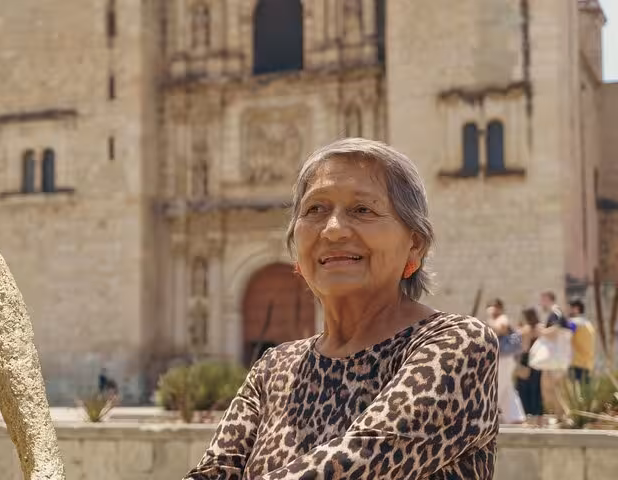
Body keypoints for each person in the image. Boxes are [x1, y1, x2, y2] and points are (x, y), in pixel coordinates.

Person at [184, 138, 499, 479]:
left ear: (415, 244)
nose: (333, 230)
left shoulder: (458, 344)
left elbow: (356, 465)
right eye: (315, 210)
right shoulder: (273, 370)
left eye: (362, 210)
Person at [486, 299, 525, 424]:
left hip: (504, 357)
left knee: (498, 385)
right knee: (506, 387)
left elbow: (500, 329)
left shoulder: (502, 318)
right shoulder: (495, 319)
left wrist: (488, 321)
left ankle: (489, 415)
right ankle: (515, 417)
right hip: (501, 358)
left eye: (495, 307)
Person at [537, 291, 574, 415]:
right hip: (554, 358)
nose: (541, 303)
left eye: (542, 299)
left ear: (548, 299)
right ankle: (559, 414)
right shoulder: (555, 313)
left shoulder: (555, 312)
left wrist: (542, 331)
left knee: (553, 388)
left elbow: (556, 330)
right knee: (549, 387)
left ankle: (563, 414)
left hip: (555, 358)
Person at [515, 308, 543, 417]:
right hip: (538, 359)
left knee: (523, 388)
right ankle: (537, 412)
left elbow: (524, 348)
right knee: (536, 388)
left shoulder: (525, 329)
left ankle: (526, 412)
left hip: (526, 360)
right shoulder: (540, 327)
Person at [567, 299, 595, 383]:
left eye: (569, 308)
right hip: (587, 363)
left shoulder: (574, 322)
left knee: (576, 394)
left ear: (576, 309)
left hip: (576, 363)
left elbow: (566, 332)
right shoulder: (588, 324)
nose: (567, 311)